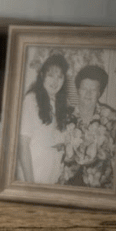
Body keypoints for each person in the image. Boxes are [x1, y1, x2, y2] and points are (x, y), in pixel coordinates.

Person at [60, 65, 116, 188]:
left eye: (93, 89)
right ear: (78, 90)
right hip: (68, 187)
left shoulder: (112, 118)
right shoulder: (65, 118)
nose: (88, 93)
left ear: (99, 92)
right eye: (84, 88)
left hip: (100, 189)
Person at [16, 53, 70, 184]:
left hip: (50, 175)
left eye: (60, 77)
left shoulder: (58, 103)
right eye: (51, 75)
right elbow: (23, 145)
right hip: (32, 175)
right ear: (42, 76)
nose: (55, 81)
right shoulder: (31, 100)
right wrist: (30, 184)